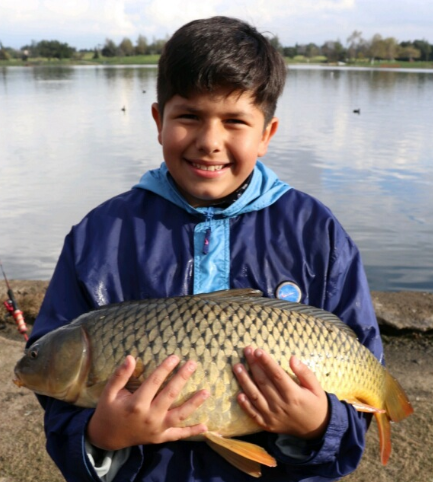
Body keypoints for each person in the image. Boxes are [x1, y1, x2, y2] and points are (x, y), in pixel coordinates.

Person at [29, 16, 383, 482]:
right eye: (189, 116)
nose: (209, 141)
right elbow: (58, 401)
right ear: (159, 121)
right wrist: (102, 434)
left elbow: (356, 392)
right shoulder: (99, 236)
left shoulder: (319, 234)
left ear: (267, 134)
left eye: (235, 121)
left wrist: (318, 424)